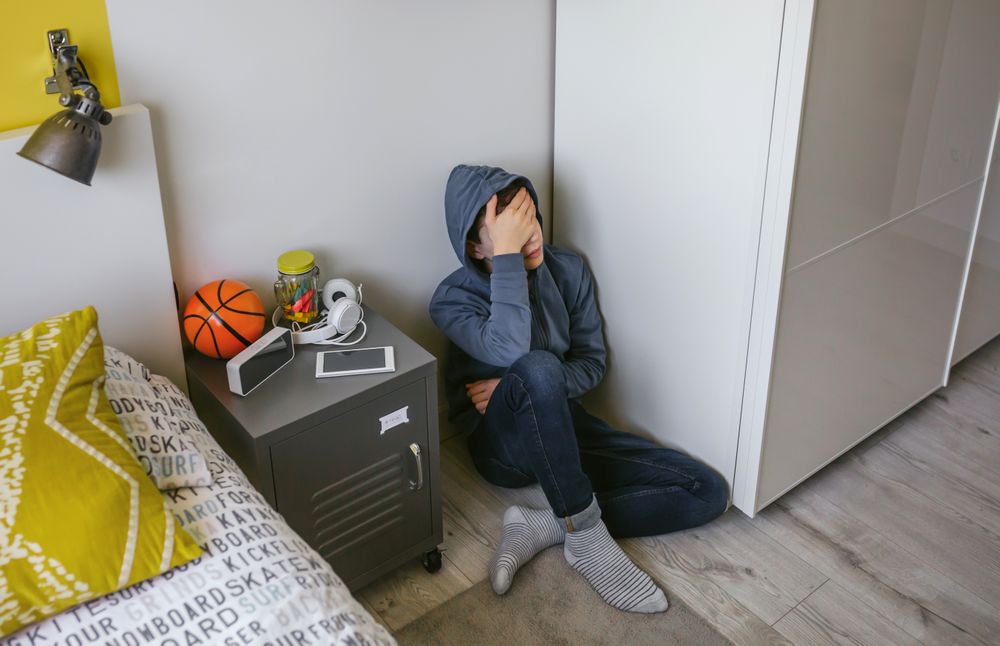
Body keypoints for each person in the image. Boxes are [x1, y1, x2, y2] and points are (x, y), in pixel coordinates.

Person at [429, 165, 728, 614]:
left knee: (706, 490)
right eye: (508, 232)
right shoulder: (451, 300)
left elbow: (592, 364)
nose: (528, 236)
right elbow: (510, 346)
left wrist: (535, 385)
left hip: (564, 425)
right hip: (501, 448)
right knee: (537, 366)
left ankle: (552, 525)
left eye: (528, 218)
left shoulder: (568, 269)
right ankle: (587, 539)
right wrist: (525, 380)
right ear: (475, 246)